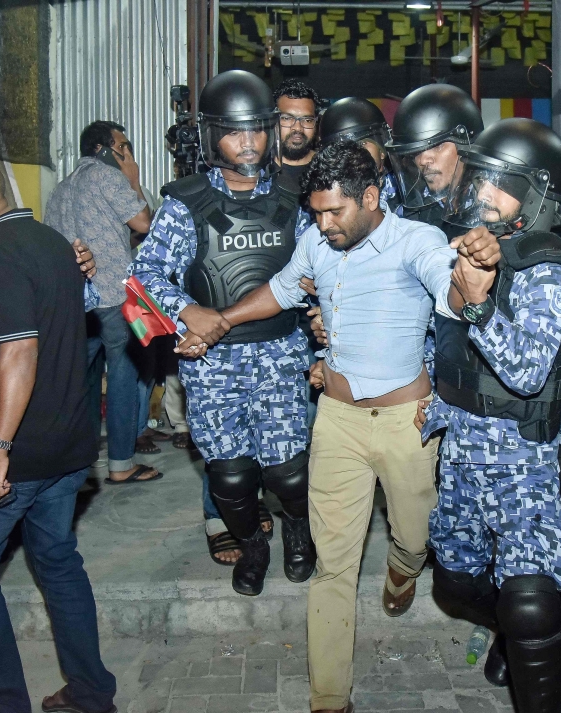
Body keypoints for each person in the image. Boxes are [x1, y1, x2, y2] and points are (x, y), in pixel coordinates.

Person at [178, 140, 456, 713]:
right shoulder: (317, 243)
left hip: (407, 424)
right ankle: (329, 697)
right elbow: (280, 291)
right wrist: (220, 321)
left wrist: (471, 285)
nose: (324, 224)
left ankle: (405, 567)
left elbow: (454, 299)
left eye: (336, 212)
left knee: (413, 534)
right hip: (337, 423)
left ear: (372, 198)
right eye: (317, 212)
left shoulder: (417, 242)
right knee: (335, 565)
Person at [0, 155, 116, 713]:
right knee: (57, 560)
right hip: (70, 446)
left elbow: (21, 353)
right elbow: (39, 333)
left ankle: (3, 702)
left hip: (19, 448)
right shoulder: (53, 243)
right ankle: (90, 693)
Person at [417, 118, 561, 711]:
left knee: (527, 598)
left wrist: (480, 304)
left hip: (521, 458)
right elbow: (447, 344)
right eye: (482, 178)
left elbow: (525, 373)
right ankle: (520, 635)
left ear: (537, 193)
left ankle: (537, 630)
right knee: (455, 582)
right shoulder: (469, 245)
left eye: (502, 183)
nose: (484, 193)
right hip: (460, 451)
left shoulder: (548, 269)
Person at [132, 69, 315, 596]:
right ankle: (252, 546)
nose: (248, 142)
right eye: (235, 132)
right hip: (211, 363)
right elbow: (142, 280)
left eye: (257, 129)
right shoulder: (183, 204)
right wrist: (187, 311)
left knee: (287, 472)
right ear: (212, 135)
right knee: (230, 475)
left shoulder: (293, 197)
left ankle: (298, 533)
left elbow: (317, 269)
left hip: (280, 353)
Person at [45, 120, 161, 484]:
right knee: (125, 374)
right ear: (104, 149)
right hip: (115, 295)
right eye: (122, 147)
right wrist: (132, 175)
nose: (127, 152)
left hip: (74, 299)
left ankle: (73, 466)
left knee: (79, 382)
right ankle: (121, 464)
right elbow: (144, 223)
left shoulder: (61, 189)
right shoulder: (108, 177)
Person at [386, 82, 483, 225]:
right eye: (416, 151)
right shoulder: (408, 217)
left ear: (468, 145)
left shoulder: (495, 203)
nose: (423, 160)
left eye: (437, 146)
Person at [317, 97, 397, 204]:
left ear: (381, 150)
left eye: (362, 144)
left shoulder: (404, 192)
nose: (354, 155)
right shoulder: (321, 197)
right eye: (343, 149)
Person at [274, 78, 322, 183]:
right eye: (287, 118)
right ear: (273, 120)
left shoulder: (329, 168)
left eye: (307, 120)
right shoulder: (258, 170)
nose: (298, 128)